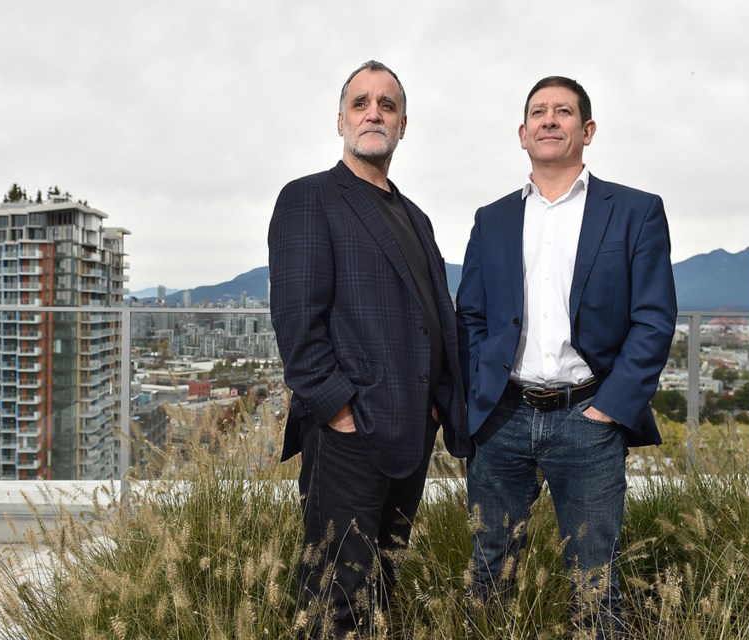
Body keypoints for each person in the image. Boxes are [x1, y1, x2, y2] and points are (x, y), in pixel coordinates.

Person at [456, 76, 677, 637]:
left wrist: (611, 409)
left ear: (588, 129)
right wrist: (482, 395)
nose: (549, 119)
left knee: (595, 580)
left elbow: (653, 318)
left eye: (563, 111)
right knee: (488, 573)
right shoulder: (492, 218)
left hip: (588, 417)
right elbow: (471, 316)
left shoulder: (636, 211)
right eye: (538, 112)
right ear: (523, 134)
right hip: (502, 417)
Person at [268, 60, 469, 638]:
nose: (374, 112)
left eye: (387, 104)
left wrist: (437, 405)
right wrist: (339, 413)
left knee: (383, 587)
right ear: (340, 120)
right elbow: (297, 323)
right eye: (361, 103)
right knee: (336, 599)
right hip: (348, 439)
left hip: (410, 434)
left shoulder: (416, 216)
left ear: (404, 124)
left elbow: (435, 321)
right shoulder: (309, 198)